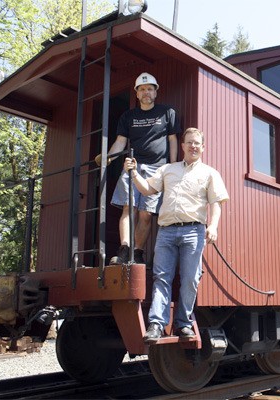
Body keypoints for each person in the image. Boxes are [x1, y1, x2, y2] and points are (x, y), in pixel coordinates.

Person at [123, 127, 229, 341]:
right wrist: (133, 173)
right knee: (162, 277)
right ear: (182, 146)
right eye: (189, 142)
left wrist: (214, 225)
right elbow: (146, 190)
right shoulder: (168, 170)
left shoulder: (210, 173)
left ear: (203, 147)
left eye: (197, 143)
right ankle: (156, 324)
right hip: (166, 232)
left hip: (194, 232)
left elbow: (216, 204)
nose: (193, 146)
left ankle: (183, 323)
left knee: (190, 279)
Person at [96, 72, 179, 264]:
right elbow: (120, 141)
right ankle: (124, 249)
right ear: (137, 93)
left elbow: (173, 139)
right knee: (128, 208)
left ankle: (138, 251)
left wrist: (173, 167)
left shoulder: (167, 113)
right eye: (142, 89)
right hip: (132, 166)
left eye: (149, 89)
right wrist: (108, 158)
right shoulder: (128, 116)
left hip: (157, 169)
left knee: (146, 213)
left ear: (156, 92)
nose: (146, 92)